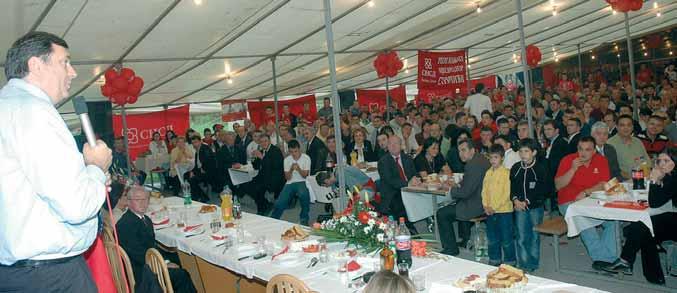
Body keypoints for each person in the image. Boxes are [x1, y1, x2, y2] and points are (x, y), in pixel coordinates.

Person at [0, 31, 112, 292]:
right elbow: (76, 206)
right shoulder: (35, 112)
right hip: (51, 276)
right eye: (65, 62)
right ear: (36, 65)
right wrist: (96, 167)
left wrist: (88, 177)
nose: (72, 72)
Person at [602, 150, 677, 284]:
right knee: (644, 229)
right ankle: (654, 277)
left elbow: (654, 202)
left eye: (666, 161)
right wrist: (659, 180)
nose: (661, 164)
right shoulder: (670, 176)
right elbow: (660, 197)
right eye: (659, 161)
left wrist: (654, 180)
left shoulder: (674, 178)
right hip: (672, 216)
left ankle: (626, 261)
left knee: (641, 226)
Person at [116, 186, 197, 293]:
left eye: (146, 199)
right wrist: (164, 263)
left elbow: (150, 246)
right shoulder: (125, 225)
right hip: (142, 273)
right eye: (138, 199)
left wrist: (166, 261)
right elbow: (138, 255)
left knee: (178, 258)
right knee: (181, 275)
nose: (143, 203)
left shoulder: (145, 219)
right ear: (129, 202)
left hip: (147, 262)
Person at [555, 136, 618, 271]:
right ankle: (605, 260)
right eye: (580, 149)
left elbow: (603, 184)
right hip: (569, 202)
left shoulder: (601, 160)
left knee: (613, 221)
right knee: (585, 224)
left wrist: (586, 192)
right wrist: (572, 169)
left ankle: (608, 257)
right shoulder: (568, 160)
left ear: (594, 151)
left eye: (588, 150)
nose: (583, 153)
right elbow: (558, 186)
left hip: (592, 199)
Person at [437, 139, 490, 255]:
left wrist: (451, 189)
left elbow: (465, 192)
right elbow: (470, 185)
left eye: (464, 150)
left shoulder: (472, 165)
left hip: (477, 204)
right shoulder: (480, 159)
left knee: (442, 213)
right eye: (459, 151)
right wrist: (458, 185)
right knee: (455, 204)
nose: (461, 153)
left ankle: (450, 248)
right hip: (483, 200)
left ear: (472, 150)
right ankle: (465, 239)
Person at [510, 138, 550, 272]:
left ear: (534, 152)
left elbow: (543, 190)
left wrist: (527, 201)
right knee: (521, 236)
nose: (523, 154)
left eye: (526, 151)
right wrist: (515, 200)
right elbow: (512, 188)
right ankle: (523, 263)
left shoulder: (540, 169)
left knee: (534, 235)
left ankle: (533, 263)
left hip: (535, 208)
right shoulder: (516, 168)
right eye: (520, 151)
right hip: (519, 207)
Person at [482, 145, 516, 266]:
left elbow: (506, 194)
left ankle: (510, 261)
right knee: (492, 237)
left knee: (506, 238)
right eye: (490, 158)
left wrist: (494, 207)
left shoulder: (506, 173)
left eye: (495, 157)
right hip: (489, 211)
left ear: (502, 158)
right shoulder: (488, 173)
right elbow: (484, 191)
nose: (493, 160)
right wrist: (486, 205)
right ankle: (495, 258)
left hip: (504, 211)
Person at [377, 136, 420, 224]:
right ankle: (409, 229)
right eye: (390, 144)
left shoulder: (407, 158)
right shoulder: (383, 162)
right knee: (400, 203)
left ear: (401, 145)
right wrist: (408, 183)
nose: (393, 146)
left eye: (396, 143)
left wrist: (416, 179)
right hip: (392, 193)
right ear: (387, 147)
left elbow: (414, 174)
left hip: (409, 190)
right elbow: (390, 180)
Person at [270, 140, 312, 225]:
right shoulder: (287, 160)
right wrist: (291, 169)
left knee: (303, 194)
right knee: (280, 201)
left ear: (299, 149)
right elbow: (287, 178)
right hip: (290, 182)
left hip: (302, 181)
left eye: (295, 151)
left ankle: (304, 218)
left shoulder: (306, 158)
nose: (293, 154)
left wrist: (299, 169)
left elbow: (305, 176)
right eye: (291, 152)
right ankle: (274, 218)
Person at [247, 134, 283, 215]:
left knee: (258, 188)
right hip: (263, 175)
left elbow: (275, 166)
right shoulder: (261, 150)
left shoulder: (276, 150)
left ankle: (262, 209)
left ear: (269, 141)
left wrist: (262, 157)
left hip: (274, 177)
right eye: (261, 142)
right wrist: (254, 158)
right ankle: (266, 203)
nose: (263, 143)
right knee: (248, 185)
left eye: (265, 141)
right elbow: (256, 167)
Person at [608, 115, 650, 179]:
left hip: (643, 178)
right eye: (622, 125)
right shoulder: (610, 144)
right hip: (624, 181)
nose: (626, 128)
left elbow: (647, 161)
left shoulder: (638, 141)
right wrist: (633, 178)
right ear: (616, 127)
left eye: (629, 125)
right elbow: (613, 169)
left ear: (632, 127)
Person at [187, 135, 213, 202]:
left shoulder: (205, 148)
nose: (194, 144)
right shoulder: (197, 151)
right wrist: (192, 171)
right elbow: (196, 165)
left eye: (196, 142)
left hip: (208, 171)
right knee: (186, 175)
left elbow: (209, 161)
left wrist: (202, 169)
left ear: (200, 141)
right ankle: (199, 196)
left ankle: (199, 197)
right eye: (193, 143)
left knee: (192, 180)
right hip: (200, 170)